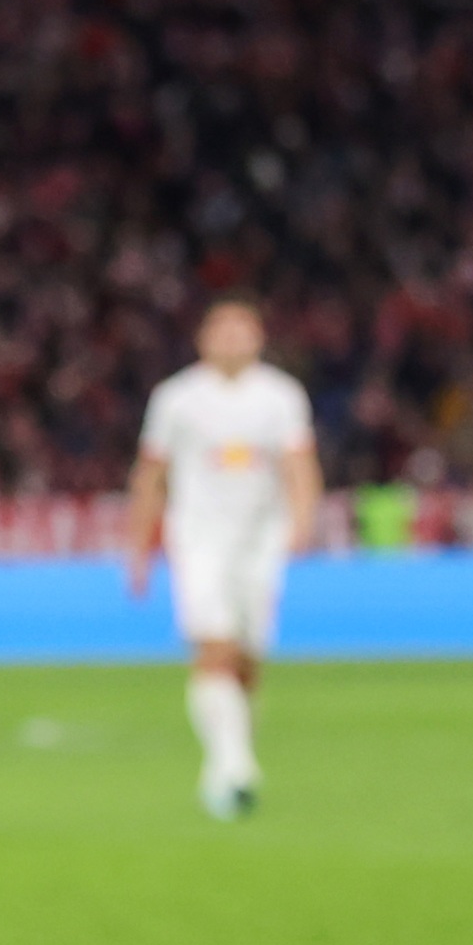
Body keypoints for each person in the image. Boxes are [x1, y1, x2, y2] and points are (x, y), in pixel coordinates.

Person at [123, 299, 320, 818]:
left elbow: (299, 463)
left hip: (261, 540)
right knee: (215, 647)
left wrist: (302, 521)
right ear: (203, 338)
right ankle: (230, 768)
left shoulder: (280, 395)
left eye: (243, 329)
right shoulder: (177, 398)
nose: (232, 339)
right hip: (199, 538)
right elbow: (152, 474)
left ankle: (233, 756)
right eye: (222, 329)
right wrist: (139, 547)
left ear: (258, 337)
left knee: (248, 659)